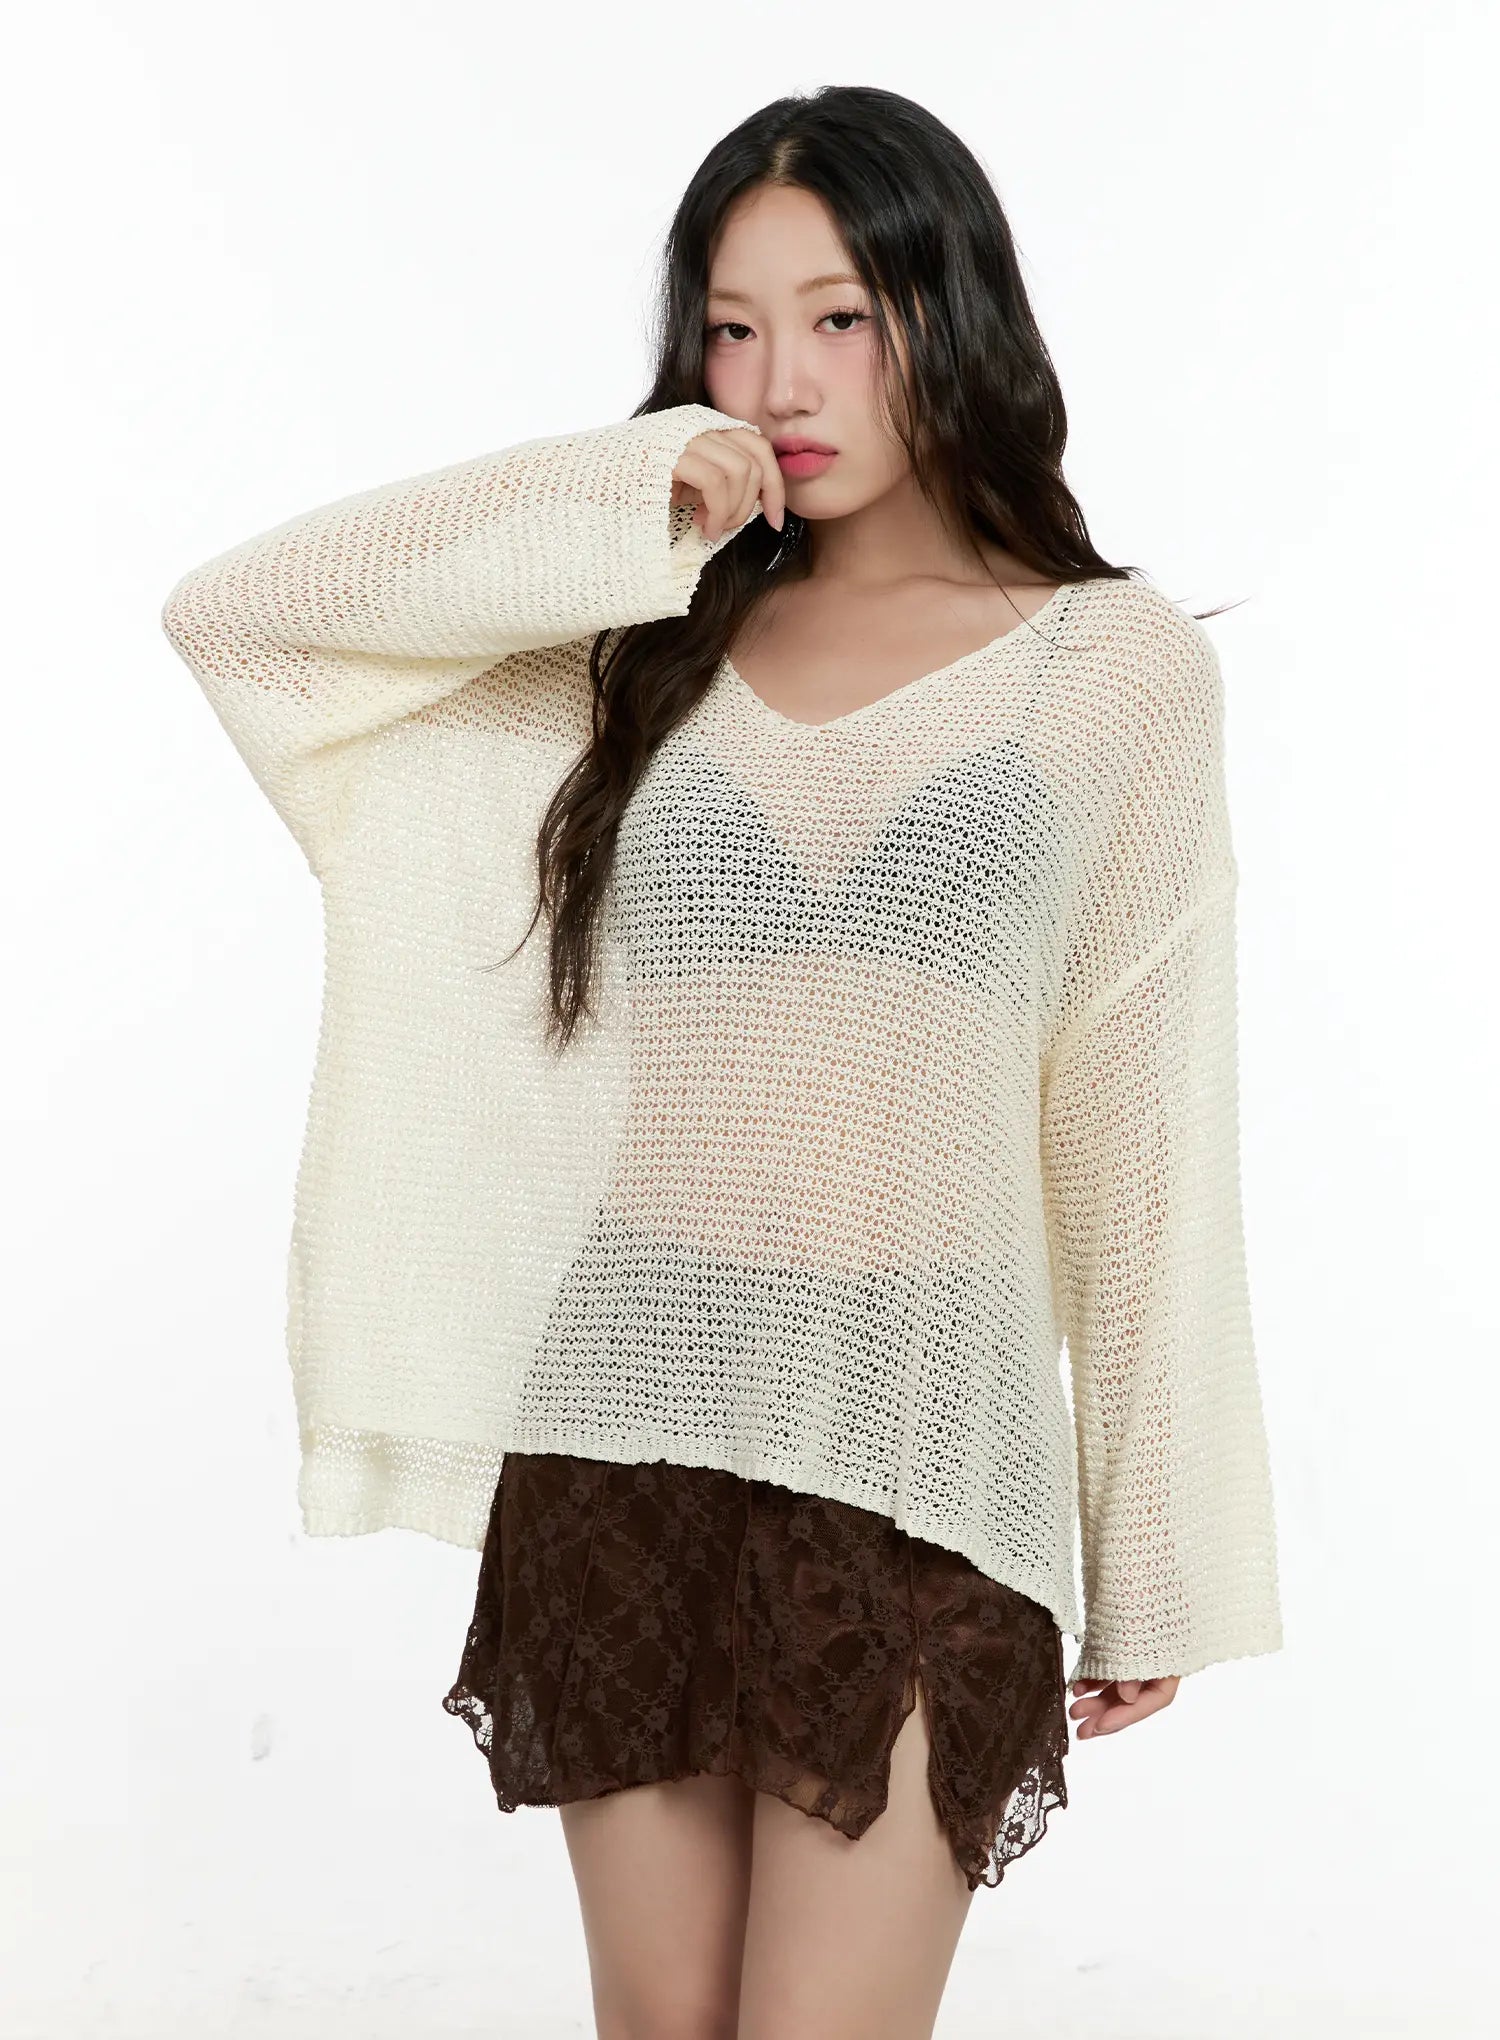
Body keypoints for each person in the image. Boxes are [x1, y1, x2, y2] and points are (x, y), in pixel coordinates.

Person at [161, 82, 1282, 2040]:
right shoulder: (636, 644)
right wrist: (626, 492)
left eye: (841, 317)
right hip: (631, 1419)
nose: (783, 380)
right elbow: (245, 621)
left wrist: (1158, 1557)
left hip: (921, 1450)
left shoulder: (1112, 675)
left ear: (951, 311)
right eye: (733, 328)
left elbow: (1142, 1125)